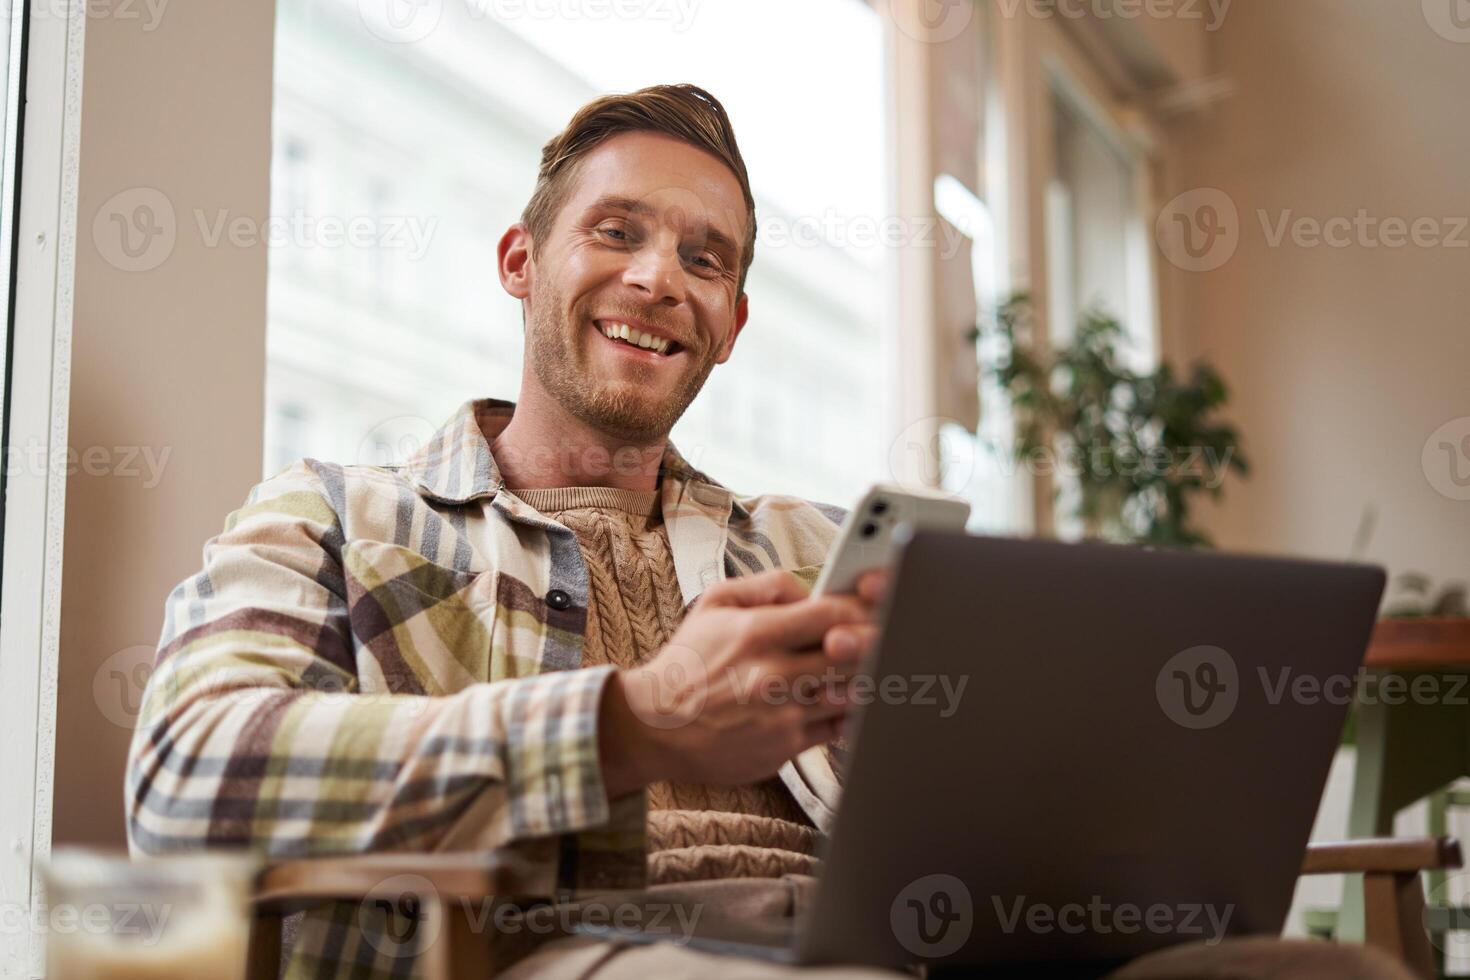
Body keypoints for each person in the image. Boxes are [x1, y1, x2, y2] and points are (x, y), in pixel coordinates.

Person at [126, 84, 1410, 980]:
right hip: (566, 941)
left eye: (705, 258)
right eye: (615, 232)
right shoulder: (338, 514)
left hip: (896, 934)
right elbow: (184, 781)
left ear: (733, 320)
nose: (657, 279)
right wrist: (627, 722)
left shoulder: (810, 544)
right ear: (522, 259)